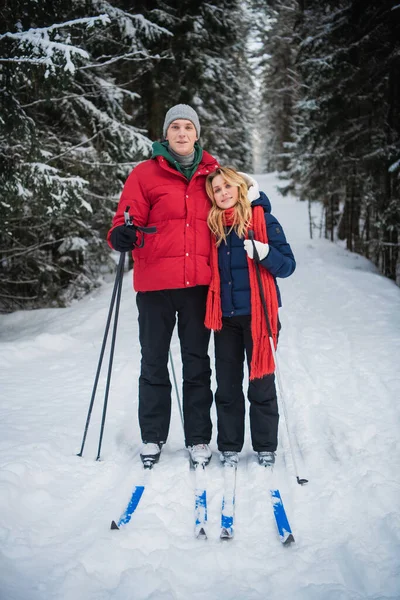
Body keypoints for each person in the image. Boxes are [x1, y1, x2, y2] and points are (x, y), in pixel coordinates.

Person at [107, 104, 219, 468]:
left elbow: (234, 209)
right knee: (153, 361)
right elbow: (125, 218)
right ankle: (152, 436)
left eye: (188, 127)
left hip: (199, 285)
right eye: (176, 128)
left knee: (197, 363)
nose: (182, 134)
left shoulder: (212, 174)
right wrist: (120, 234)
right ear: (165, 134)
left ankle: (199, 438)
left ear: (197, 134)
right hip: (155, 286)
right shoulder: (144, 174)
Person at [204, 167, 296, 467]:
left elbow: (288, 266)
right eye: (217, 190)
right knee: (227, 385)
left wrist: (264, 252)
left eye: (228, 186)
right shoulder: (213, 226)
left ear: (241, 188)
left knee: (261, 384)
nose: (223, 193)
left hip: (261, 317)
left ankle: (265, 446)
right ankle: (229, 445)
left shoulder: (263, 221)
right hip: (226, 319)